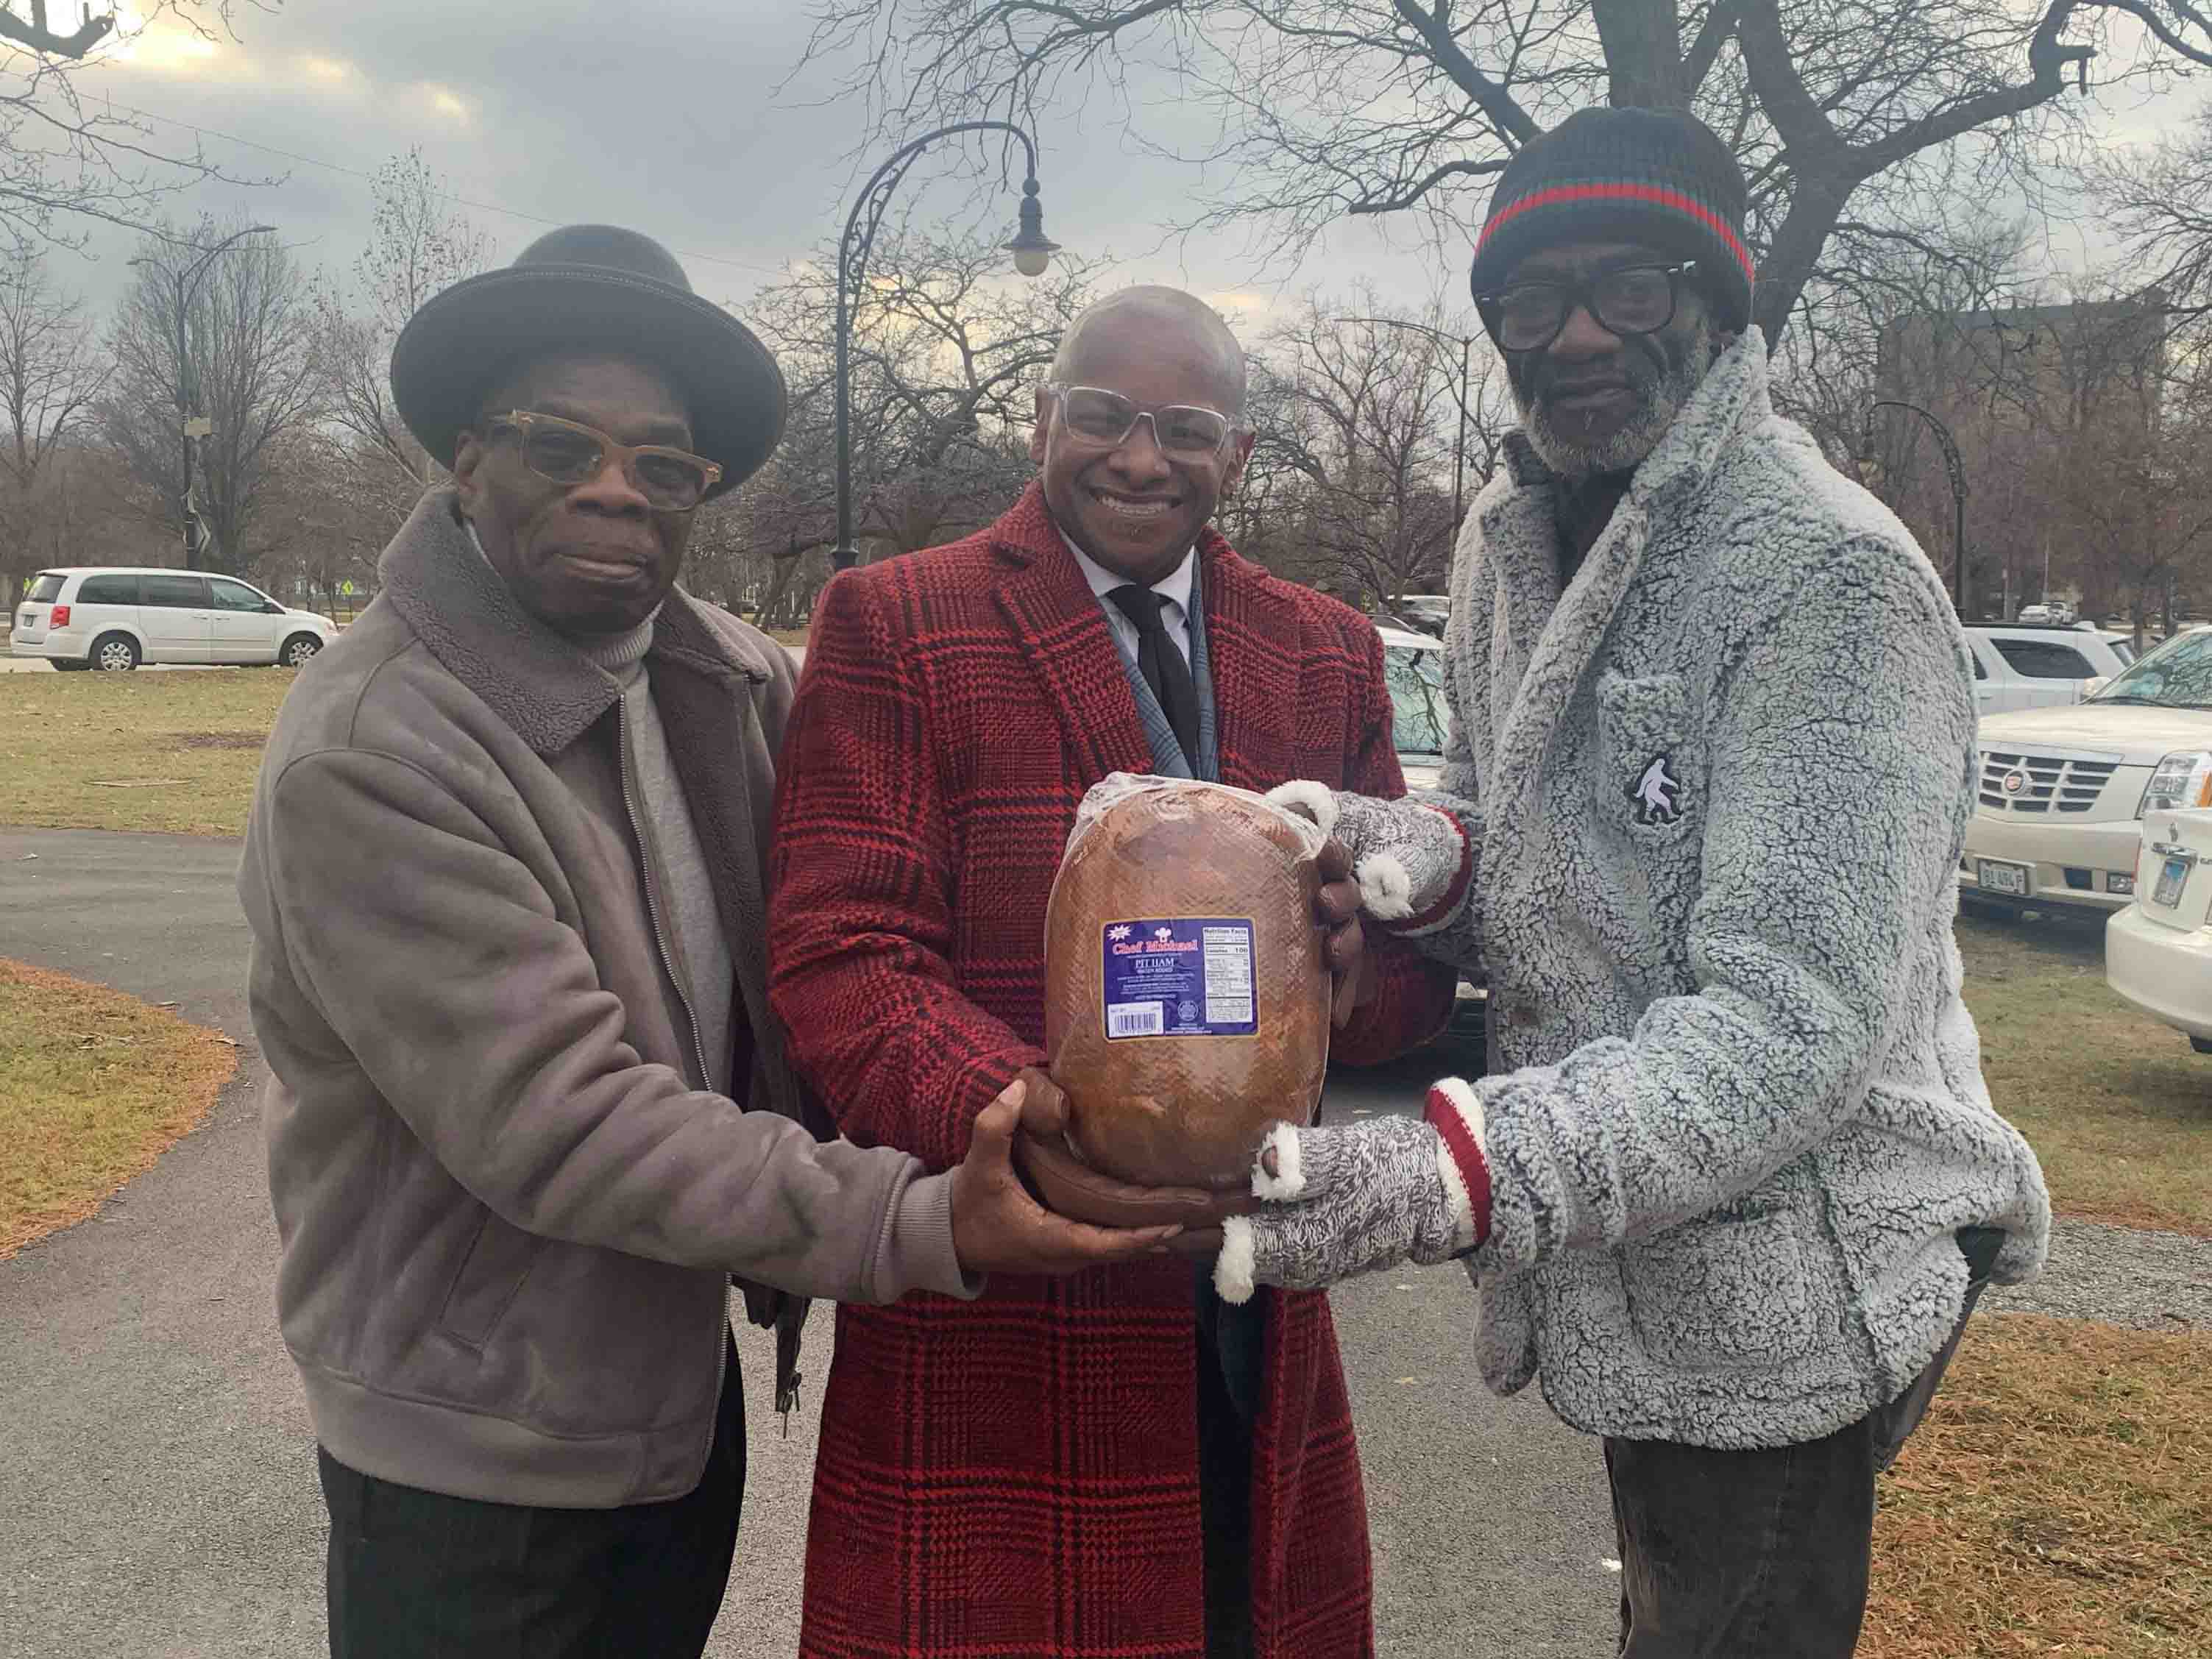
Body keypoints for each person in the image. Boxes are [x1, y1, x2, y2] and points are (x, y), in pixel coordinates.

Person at [237, 225, 1174, 1659]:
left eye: (663, 464)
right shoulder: (375, 751)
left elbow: (911, 881)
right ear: (467, 457)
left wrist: (1235, 920)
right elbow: (569, 1124)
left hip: (670, 1399)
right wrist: (922, 1222)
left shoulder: (722, 677)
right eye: (563, 446)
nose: (617, 488)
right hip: (473, 1455)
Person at [1219, 110, 2052, 1658]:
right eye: (1532, 301)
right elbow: (1572, 844)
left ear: (1722, 303)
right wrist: (1427, 854)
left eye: (1635, 287)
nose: (1580, 333)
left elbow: (1788, 1028)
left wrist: (1451, 1174)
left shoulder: (1829, 577)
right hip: (1642, 1264)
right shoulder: (1511, 538)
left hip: (1791, 1287)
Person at [767, 285, 1460, 1659]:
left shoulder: (1322, 647)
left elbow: (1400, 971)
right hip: (1010, 1288)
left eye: (1185, 429)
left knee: (1241, 1625)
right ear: (1043, 422)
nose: (1139, 459)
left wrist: (1360, 965)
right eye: (1102, 417)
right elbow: (842, 951)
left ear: (1238, 456)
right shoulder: (897, 620)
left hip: (1256, 1284)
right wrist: (1024, 1125)